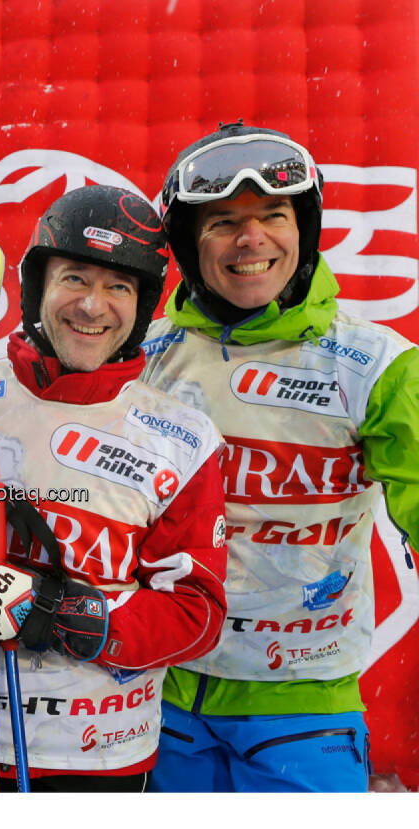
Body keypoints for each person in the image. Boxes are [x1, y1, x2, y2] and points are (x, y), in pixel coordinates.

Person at [0, 185, 230, 791]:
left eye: (119, 287)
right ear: (38, 288)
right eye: (75, 278)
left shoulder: (180, 439)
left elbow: (197, 615)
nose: (93, 305)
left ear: (143, 304)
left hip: (95, 755)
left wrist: (74, 616)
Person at [141, 121, 419, 792]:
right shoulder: (142, 357)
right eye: (224, 222)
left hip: (303, 701)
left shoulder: (377, 367)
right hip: (160, 697)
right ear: (187, 242)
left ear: (306, 228)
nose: (251, 238)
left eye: (272, 215)